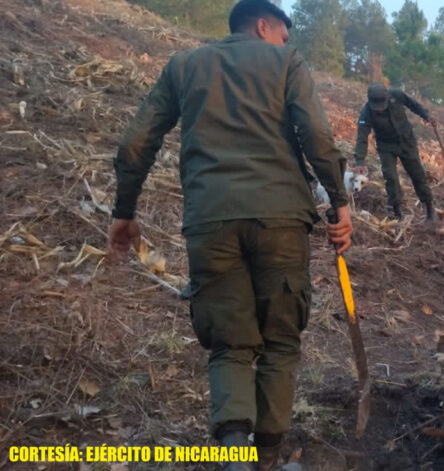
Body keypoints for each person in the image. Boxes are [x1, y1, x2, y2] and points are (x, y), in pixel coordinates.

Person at [107, 1, 353, 469]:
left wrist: (124, 211)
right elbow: (317, 137)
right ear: (262, 26)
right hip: (281, 220)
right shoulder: (287, 62)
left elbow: (136, 142)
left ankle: (235, 458)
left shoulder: (184, 66)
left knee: (230, 346)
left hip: (211, 223)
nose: (285, 42)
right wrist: (339, 201)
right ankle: (268, 459)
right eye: (282, 33)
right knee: (280, 341)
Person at [352, 83, 438, 221]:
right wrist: (359, 161)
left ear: (387, 96)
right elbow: (362, 138)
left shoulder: (397, 95)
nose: (380, 109)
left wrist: (426, 115)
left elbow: (414, 105)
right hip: (386, 147)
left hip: (407, 142)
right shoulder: (366, 113)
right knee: (390, 177)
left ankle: (429, 207)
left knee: (417, 174)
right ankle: (396, 211)